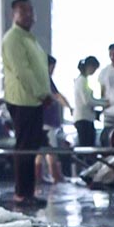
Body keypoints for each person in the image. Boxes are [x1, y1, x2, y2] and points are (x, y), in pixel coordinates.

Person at [1, 0, 52, 207]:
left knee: (31, 147)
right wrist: (42, 93)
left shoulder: (29, 39)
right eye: (23, 12)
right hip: (23, 101)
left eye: (31, 11)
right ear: (14, 15)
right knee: (24, 148)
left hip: (33, 101)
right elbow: (24, 72)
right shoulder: (13, 39)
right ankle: (22, 194)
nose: (29, 15)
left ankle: (27, 192)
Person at [36, 55, 72, 186]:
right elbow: (57, 96)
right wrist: (67, 106)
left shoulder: (44, 80)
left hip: (44, 121)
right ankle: (55, 175)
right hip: (46, 121)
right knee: (50, 148)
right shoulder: (44, 80)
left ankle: (40, 175)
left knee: (42, 150)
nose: (53, 70)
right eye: (52, 67)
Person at [73, 56, 108, 147]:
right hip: (83, 118)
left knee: (88, 143)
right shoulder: (82, 81)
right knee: (86, 145)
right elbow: (87, 101)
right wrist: (103, 103)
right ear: (89, 66)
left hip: (86, 118)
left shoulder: (82, 80)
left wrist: (103, 101)